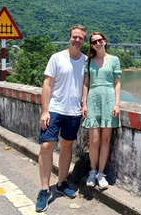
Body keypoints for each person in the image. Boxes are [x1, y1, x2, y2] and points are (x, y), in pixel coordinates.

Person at [36, 24, 87, 213]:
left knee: (67, 147)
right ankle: (44, 190)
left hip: (73, 112)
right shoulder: (57, 58)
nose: (77, 40)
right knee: (46, 146)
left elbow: (85, 86)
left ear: (84, 41)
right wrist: (45, 110)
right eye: (74, 37)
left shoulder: (85, 61)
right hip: (55, 110)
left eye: (80, 38)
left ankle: (61, 183)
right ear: (70, 37)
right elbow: (47, 84)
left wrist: (84, 104)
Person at [82, 32, 122, 190]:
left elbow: (117, 83)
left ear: (105, 41)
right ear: (91, 45)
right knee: (94, 141)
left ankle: (101, 173)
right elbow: (86, 84)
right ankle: (92, 171)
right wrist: (84, 103)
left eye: (100, 40)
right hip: (93, 101)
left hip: (109, 101)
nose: (98, 43)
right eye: (94, 42)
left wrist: (117, 104)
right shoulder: (89, 62)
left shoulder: (114, 60)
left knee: (105, 141)